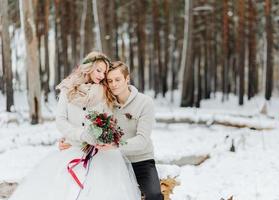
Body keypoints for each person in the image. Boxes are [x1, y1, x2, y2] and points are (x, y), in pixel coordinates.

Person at [9, 52, 141, 200]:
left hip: (101, 153)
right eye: (98, 70)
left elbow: (109, 119)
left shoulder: (104, 92)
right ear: (88, 67)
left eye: (104, 72)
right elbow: (61, 120)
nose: (102, 75)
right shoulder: (68, 88)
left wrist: (103, 136)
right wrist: (79, 135)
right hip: (73, 148)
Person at [60, 61, 164, 200]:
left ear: (127, 79)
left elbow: (142, 140)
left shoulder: (145, 102)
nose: (113, 84)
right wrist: (70, 140)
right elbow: (89, 129)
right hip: (113, 160)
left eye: (117, 79)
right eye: (109, 80)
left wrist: (116, 146)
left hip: (140, 160)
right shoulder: (105, 101)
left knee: (154, 195)